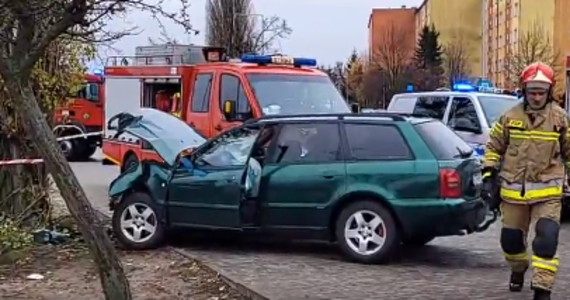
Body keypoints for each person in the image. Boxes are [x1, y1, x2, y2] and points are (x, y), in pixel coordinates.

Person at [482, 62, 569, 300]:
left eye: (541, 92)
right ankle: (518, 270)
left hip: (548, 192)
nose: (537, 97)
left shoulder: (560, 119)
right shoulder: (510, 117)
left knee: (546, 241)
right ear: (524, 90)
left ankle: (542, 290)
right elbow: (493, 147)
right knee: (511, 243)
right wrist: (489, 175)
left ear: (549, 92)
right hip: (513, 193)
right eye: (533, 92)